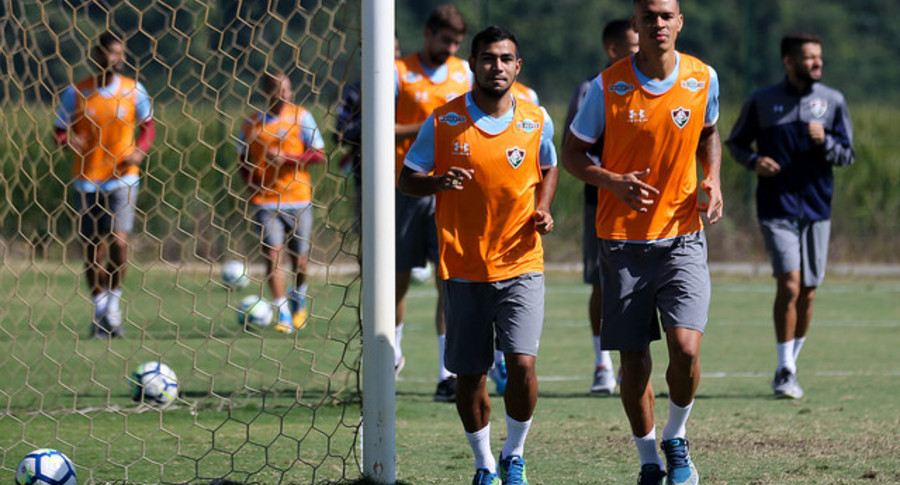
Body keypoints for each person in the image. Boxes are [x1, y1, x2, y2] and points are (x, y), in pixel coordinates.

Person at [561, 0, 723, 483]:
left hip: (683, 237)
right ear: (636, 24)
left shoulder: (703, 78)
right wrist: (611, 181)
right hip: (622, 241)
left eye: (666, 15)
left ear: (679, 22)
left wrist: (712, 177)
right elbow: (572, 154)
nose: (658, 23)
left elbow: (709, 133)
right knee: (633, 363)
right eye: (648, 16)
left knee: (687, 348)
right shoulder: (606, 86)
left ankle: (675, 435)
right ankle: (649, 459)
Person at [399, 25, 558, 485]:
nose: (497, 67)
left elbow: (547, 166)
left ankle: (515, 453)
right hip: (464, 266)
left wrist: (543, 209)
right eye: (488, 58)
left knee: (523, 365)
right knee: (470, 376)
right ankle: (484, 463)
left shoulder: (536, 119)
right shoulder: (444, 120)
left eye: (506, 59)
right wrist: (435, 182)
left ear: (518, 66)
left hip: (522, 261)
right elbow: (408, 177)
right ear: (472, 64)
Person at [726, 32, 854, 400]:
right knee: (790, 284)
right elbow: (735, 143)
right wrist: (754, 161)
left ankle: (789, 367)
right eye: (809, 57)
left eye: (819, 57)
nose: (817, 63)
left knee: (809, 293)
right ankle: (785, 369)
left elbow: (848, 154)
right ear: (788, 61)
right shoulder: (762, 101)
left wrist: (826, 142)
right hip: (776, 207)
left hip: (817, 208)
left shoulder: (832, 102)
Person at [54, 32, 155, 339]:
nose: (118, 58)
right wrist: (68, 142)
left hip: (123, 178)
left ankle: (113, 306)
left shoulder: (133, 90)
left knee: (119, 242)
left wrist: (140, 149)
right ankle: (100, 310)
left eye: (120, 53)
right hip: (86, 180)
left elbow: (148, 125)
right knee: (92, 249)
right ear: (97, 55)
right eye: (112, 53)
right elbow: (59, 131)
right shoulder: (76, 92)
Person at [394, 4, 472, 401]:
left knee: (449, 280)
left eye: (457, 42)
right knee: (398, 278)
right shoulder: (398, 71)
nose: (451, 48)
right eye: (446, 40)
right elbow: (377, 125)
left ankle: (447, 375)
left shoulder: (465, 73)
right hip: (407, 188)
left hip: (450, 190)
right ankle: (389, 353)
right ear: (428, 34)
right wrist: (428, 127)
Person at [562, 18, 639, 395]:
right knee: (602, 284)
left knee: (646, 287)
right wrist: (612, 177)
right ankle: (602, 365)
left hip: (648, 203)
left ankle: (632, 366)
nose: (643, 53)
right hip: (602, 203)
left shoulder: (660, 85)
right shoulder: (592, 89)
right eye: (634, 47)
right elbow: (572, 151)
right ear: (613, 50)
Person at [238, 70, 325, 334]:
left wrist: (287, 158)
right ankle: (283, 313)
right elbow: (242, 160)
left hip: (298, 198)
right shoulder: (252, 123)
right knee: (272, 255)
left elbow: (319, 154)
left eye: (287, 88)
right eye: (279, 89)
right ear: (267, 92)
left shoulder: (302, 117)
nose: (285, 94)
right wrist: (251, 181)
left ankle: (298, 294)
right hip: (265, 201)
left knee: (300, 261)